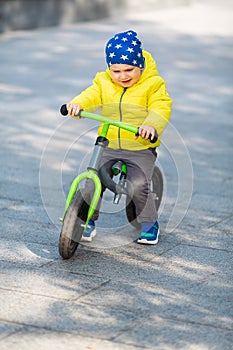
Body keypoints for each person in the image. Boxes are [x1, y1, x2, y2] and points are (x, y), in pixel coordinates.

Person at [66, 30, 172, 245]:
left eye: (129, 70)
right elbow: (91, 94)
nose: (122, 76)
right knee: (92, 181)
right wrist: (78, 104)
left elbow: (160, 107)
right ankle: (87, 220)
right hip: (109, 142)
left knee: (139, 184)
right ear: (109, 68)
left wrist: (150, 125)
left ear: (140, 65)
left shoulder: (153, 84)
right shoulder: (103, 81)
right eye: (116, 71)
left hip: (140, 145)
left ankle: (150, 223)